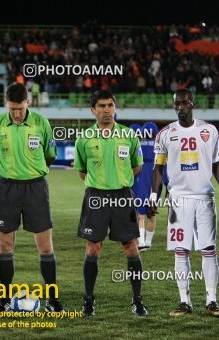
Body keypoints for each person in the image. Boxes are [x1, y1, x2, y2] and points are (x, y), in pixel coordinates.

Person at [0, 82, 65, 314]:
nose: (16, 114)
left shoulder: (41, 123)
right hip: (6, 189)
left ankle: (52, 298)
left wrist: (32, 171)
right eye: (11, 109)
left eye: (19, 108)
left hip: (36, 188)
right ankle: (5, 299)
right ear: (6, 105)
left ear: (27, 102)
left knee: (45, 247)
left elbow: (49, 156)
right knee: (5, 247)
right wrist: (7, 172)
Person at [150, 88, 219, 317]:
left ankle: (212, 300)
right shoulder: (165, 133)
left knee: (209, 249)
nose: (180, 107)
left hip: (205, 198)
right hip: (178, 201)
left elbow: (217, 164)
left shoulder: (209, 130)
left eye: (184, 103)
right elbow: (158, 168)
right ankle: (184, 301)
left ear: (192, 103)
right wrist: (153, 196)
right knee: (181, 251)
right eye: (177, 103)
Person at [74, 90, 147, 317]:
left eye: (110, 105)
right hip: (96, 196)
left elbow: (137, 167)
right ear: (93, 110)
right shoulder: (84, 138)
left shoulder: (129, 135)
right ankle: (88, 300)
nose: (107, 110)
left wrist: (118, 181)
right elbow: (82, 171)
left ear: (115, 108)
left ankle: (137, 301)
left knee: (131, 247)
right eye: (102, 106)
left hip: (123, 196)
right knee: (93, 248)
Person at [132, 122, 162, 251]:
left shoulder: (137, 146)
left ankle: (142, 242)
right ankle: (147, 242)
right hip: (155, 182)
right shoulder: (160, 147)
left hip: (140, 180)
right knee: (152, 213)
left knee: (140, 214)